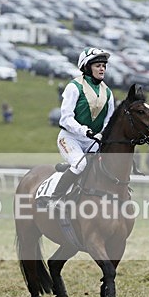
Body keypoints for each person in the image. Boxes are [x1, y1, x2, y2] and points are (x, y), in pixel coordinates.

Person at [48, 47, 115, 203]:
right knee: (81, 165)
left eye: (104, 65)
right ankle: (55, 198)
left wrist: (104, 134)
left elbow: (109, 121)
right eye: (98, 65)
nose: (102, 68)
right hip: (70, 139)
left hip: (93, 142)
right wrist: (85, 131)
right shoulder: (74, 87)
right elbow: (65, 118)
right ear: (87, 67)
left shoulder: (109, 93)